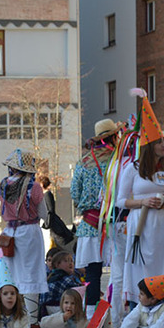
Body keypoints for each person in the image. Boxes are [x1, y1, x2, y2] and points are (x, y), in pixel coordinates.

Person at [118, 96, 164, 306]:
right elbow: (120, 201)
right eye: (160, 142)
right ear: (149, 145)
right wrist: (143, 202)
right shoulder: (132, 169)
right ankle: (140, 303)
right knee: (143, 264)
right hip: (142, 225)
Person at [72, 119, 119, 312]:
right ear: (113, 137)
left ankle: (91, 314)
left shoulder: (83, 161)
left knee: (92, 273)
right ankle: (116, 312)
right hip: (115, 222)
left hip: (89, 224)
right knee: (119, 271)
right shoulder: (118, 159)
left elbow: (75, 193)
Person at [0, 150, 47, 320]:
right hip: (29, 230)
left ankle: (13, 314)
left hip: (10, 232)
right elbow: (43, 213)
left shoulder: (4, 185)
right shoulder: (34, 186)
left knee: (12, 273)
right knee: (31, 272)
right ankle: (31, 317)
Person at [40, 250, 81, 317]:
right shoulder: (65, 279)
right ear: (57, 265)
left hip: (45, 310)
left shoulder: (51, 276)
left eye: (71, 261)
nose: (70, 263)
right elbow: (78, 292)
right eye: (66, 261)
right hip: (56, 308)